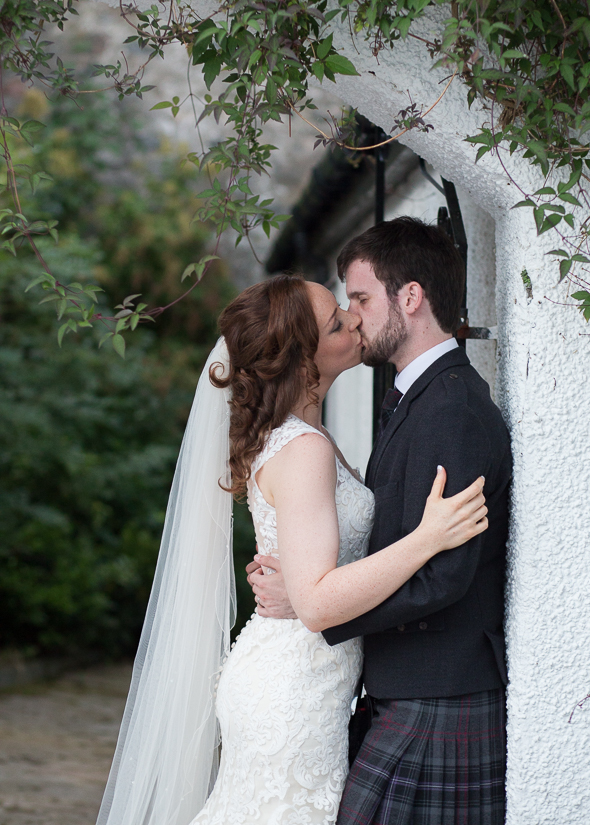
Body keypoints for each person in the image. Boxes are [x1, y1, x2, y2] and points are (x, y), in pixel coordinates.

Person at [96, 272, 487, 825]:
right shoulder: (304, 449)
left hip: (298, 679)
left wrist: (296, 587)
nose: (353, 319)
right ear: (305, 362)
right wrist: (427, 540)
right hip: (293, 696)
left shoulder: (304, 436)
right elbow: (321, 603)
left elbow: (315, 576)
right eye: (336, 322)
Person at [249, 218, 512, 825]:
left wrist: (309, 599)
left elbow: (442, 576)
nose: (355, 316)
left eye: (361, 299)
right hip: (406, 688)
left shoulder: (452, 409)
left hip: (438, 692)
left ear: (411, 297)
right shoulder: (415, 398)